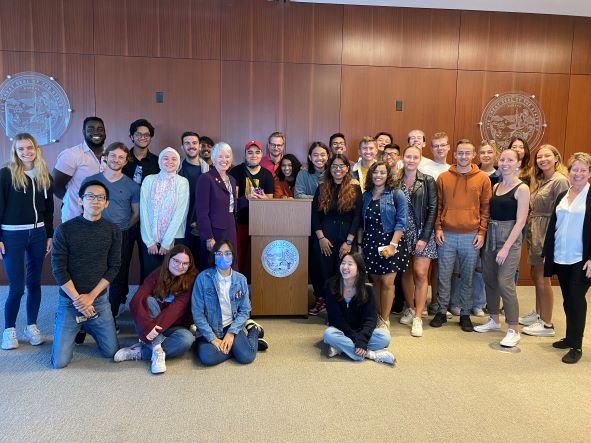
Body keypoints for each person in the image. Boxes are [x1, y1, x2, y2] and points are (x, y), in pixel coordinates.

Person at [50, 180, 121, 369]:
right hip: (70, 301)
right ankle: (71, 323)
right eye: (90, 196)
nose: (95, 201)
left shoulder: (113, 230)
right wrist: (78, 300)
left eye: (101, 198)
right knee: (59, 362)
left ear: (106, 203)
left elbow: (114, 267)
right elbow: (58, 269)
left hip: (98, 301)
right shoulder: (64, 230)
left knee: (111, 352)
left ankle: (87, 324)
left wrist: (90, 297)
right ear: (81, 201)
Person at [430, 140, 492, 332]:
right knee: (444, 275)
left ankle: (465, 314)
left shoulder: (483, 178)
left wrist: (481, 232)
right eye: (460, 153)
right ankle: (441, 311)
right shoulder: (443, 177)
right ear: (454, 155)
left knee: (467, 276)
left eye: (467, 153)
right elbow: (438, 205)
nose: (463, 156)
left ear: (473, 155)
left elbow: (485, 209)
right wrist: (438, 228)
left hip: (471, 235)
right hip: (446, 234)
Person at [1, 134, 54, 350]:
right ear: (15, 151)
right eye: (20, 149)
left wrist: (49, 234)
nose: (26, 152)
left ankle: (31, 325)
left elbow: (49, 209)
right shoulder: (6, 174)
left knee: (34, 283)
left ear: (36, 149)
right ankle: (9, 329)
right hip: (12, 235)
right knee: (17, 287)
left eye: (29, 147)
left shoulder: (44, 175)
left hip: (38, 234)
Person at [474, 149, 530, 347]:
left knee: (505, 282)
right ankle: (494, 319)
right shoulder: (496, 185)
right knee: (489, 278)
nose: (505, 163)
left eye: (510, 160)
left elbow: (521, 221)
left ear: (518, 163)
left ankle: (514, 329)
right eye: (503, 159)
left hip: (509, 238)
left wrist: (506, 247)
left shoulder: (522, 188)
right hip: (491, 234)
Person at [114, 245, 197, 374]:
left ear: (189, 265)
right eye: (176, 261)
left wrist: (149, 334)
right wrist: (147, 327)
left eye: (185, 263)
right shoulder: (158, 273)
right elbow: (136, 299)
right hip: (150, 324)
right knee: (148, 301)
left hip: (174, 325)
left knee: (187, 339)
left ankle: (141, 352)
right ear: (169, 259)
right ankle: (157, 349)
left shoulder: (191, 280)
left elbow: (175, 310)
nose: (180, 266)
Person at [83, 142, 140, 322]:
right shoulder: (91, 181)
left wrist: (122, 227)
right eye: (113, 156)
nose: (116, 160)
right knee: (91, 274)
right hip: (93, 234)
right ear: (105, 157)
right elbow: (82, 207)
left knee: (118, 276)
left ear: (126, 161)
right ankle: (88, 314)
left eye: (121, 157)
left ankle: (111, 316)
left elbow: (136, 213)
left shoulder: (132, 186)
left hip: (120, 235)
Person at [543, 152, 591, 364]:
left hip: (582, 258)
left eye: (583, 170)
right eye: (575, 169)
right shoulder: (564, 194)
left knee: (576, 299)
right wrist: (548, 254)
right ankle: (570, 337)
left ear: (589, 173)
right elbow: (554, 226)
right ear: (569, 171)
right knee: (567, 298)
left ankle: (577, 346)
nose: (578, 173)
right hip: (562, 256)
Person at [192, 240, 267, 366]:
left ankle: (253, 330)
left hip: (231, 325)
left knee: (246, 357)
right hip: (210, 328)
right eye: (219, 253)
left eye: (227, 253)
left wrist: (231, 334)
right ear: (213, 256)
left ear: (233, 256)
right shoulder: (203, 278)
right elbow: (197, 313)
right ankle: (240, 348)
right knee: (208, 358)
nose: (223, 257)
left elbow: (244, 311)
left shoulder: (241, 279)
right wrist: (212, 338)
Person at [521, 145, 569, 337]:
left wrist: (554, 237)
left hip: (548, 231)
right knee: (535, 274)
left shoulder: (560, 181)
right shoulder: (540, 179)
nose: (543, 159)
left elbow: (563, 212)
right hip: (536, 230)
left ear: (556, 158)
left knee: (543, 277)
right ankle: (539, 314)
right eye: (539, 156)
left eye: (547, 156)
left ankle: (547, 324)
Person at [309, 154, 362, 316]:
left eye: (341, 166)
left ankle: (339, 307)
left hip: (346, 237)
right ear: (329, 169)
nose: (338, 169)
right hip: (325, 236)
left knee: (343, 272)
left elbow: (357, 217)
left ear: (347, 168)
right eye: (334, 166)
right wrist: (321, 238)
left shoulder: (355, 188)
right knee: (322, 271)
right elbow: (314, 215)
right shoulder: (323, 187)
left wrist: (349, 242)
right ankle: (322, 300)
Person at [359, 161, 409, 329]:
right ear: (370, 175)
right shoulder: (365, 195)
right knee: (377, 283)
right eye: (375, 172)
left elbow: (401, 223)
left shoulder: (397, 194)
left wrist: (393, 245)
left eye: (382, 172)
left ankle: (385, 320)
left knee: (388, 283)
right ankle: (377, 314)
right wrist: (360, 245)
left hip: (390, 244)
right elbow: (361, 223)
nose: (378, 175)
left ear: (388, 175)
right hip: (370, 243)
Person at [323, 252, 395, 366]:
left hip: (360, 331)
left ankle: (341, 348)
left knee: (384, 337)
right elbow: (335, 319)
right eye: (343, 263)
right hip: (341, 331)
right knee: (328, 334)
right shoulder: (331, 286)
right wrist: (358, 341)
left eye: (350, 264)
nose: (345, 267)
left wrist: (362, 339)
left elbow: (370, 319)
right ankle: (371, 355)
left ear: (358, 269)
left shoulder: (367, 290)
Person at [395, 146, 438, 337]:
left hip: (422, 233)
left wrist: (424, 237)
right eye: (408, 156)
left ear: (420, 159)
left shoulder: (428, 180)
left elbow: (432, 209)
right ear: (402, 158)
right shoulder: (395, 180)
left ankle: (419, 317)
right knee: (405, 273)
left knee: (420, 273)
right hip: (401, 233)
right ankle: (410, 308)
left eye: (415, 157)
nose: (411, 160)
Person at [139, 147, 189, 278]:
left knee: (172, 274)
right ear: (160, 161)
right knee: (150, 274)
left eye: (174, 159)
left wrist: (167, 242)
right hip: (149, 238)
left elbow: (180, 213)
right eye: (165, 158)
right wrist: (149, 241)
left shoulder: (182, 182)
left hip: (174, 238)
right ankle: (148, 299)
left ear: (178, 162)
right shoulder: (149, 180)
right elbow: (143, 210)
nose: (169, 162)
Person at [229, 140, 274, 278]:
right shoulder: (236, 171)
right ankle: (237, 287)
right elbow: (233, 200)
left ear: (261, 155)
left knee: (261, 257)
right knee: (239, 257)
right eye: (250, 152)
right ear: (245, 155)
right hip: (240, 222)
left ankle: (260, 290)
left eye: (257, 152)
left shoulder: (267, 174)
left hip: (261, 223)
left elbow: (270, 199)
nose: (253, 155)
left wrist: (260, 197)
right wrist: (247, 197)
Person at [123, 119, 160, 283]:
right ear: (131, 136)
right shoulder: (121, 160)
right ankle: (118, 301)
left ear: (151, 137)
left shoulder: (158, 162)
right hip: (125, 218)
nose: (143, 137)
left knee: (150, 264)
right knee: (122, 262)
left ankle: (146, 301)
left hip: (149, 221)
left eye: (147, 135)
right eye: (138, 134)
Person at [52, 116, 106, 222]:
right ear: (83, 132)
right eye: (91, 129)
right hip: (74, 217)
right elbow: (54, 184)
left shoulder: (111, 156)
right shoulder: (71, 155)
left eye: (100, 129)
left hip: (101, 219)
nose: (96, 132)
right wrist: (71, 200)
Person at [196, 142, 238, 271]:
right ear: (213, 159)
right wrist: (208, 237)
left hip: (230, 227)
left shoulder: (231, 179)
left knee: (229, 264)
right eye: (220, 156)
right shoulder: (206, 178)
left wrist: (251, 199)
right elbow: (202, 212)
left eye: (227, 156)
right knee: (214, 265)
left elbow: (231, 204)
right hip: (214, 231)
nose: (224, 160)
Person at [179, 131, 203, 262]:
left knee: (199, 263)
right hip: (179, 226)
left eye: (194, 143)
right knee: (181, 263)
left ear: (200, 146)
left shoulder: (209, 170)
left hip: (200, 226)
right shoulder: (175, 170)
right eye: (187, 143)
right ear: (182, 147)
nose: (191, 146)